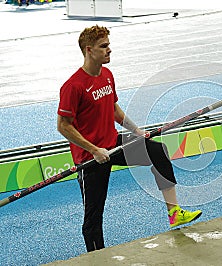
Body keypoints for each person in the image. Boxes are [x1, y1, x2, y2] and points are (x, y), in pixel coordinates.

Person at [57, 25, 202, 252]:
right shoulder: (73, 86)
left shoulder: (107, 75)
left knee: (157, 151)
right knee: (94, 216)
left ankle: (174, 213)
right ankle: (97, 257)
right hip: (90, 158)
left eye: (109, 45)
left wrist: (137, 131)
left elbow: (114, 110)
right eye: (103, 46)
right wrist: (94, 149)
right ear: (88, 50)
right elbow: (63, 126)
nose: (109, 50)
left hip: (113, 144)